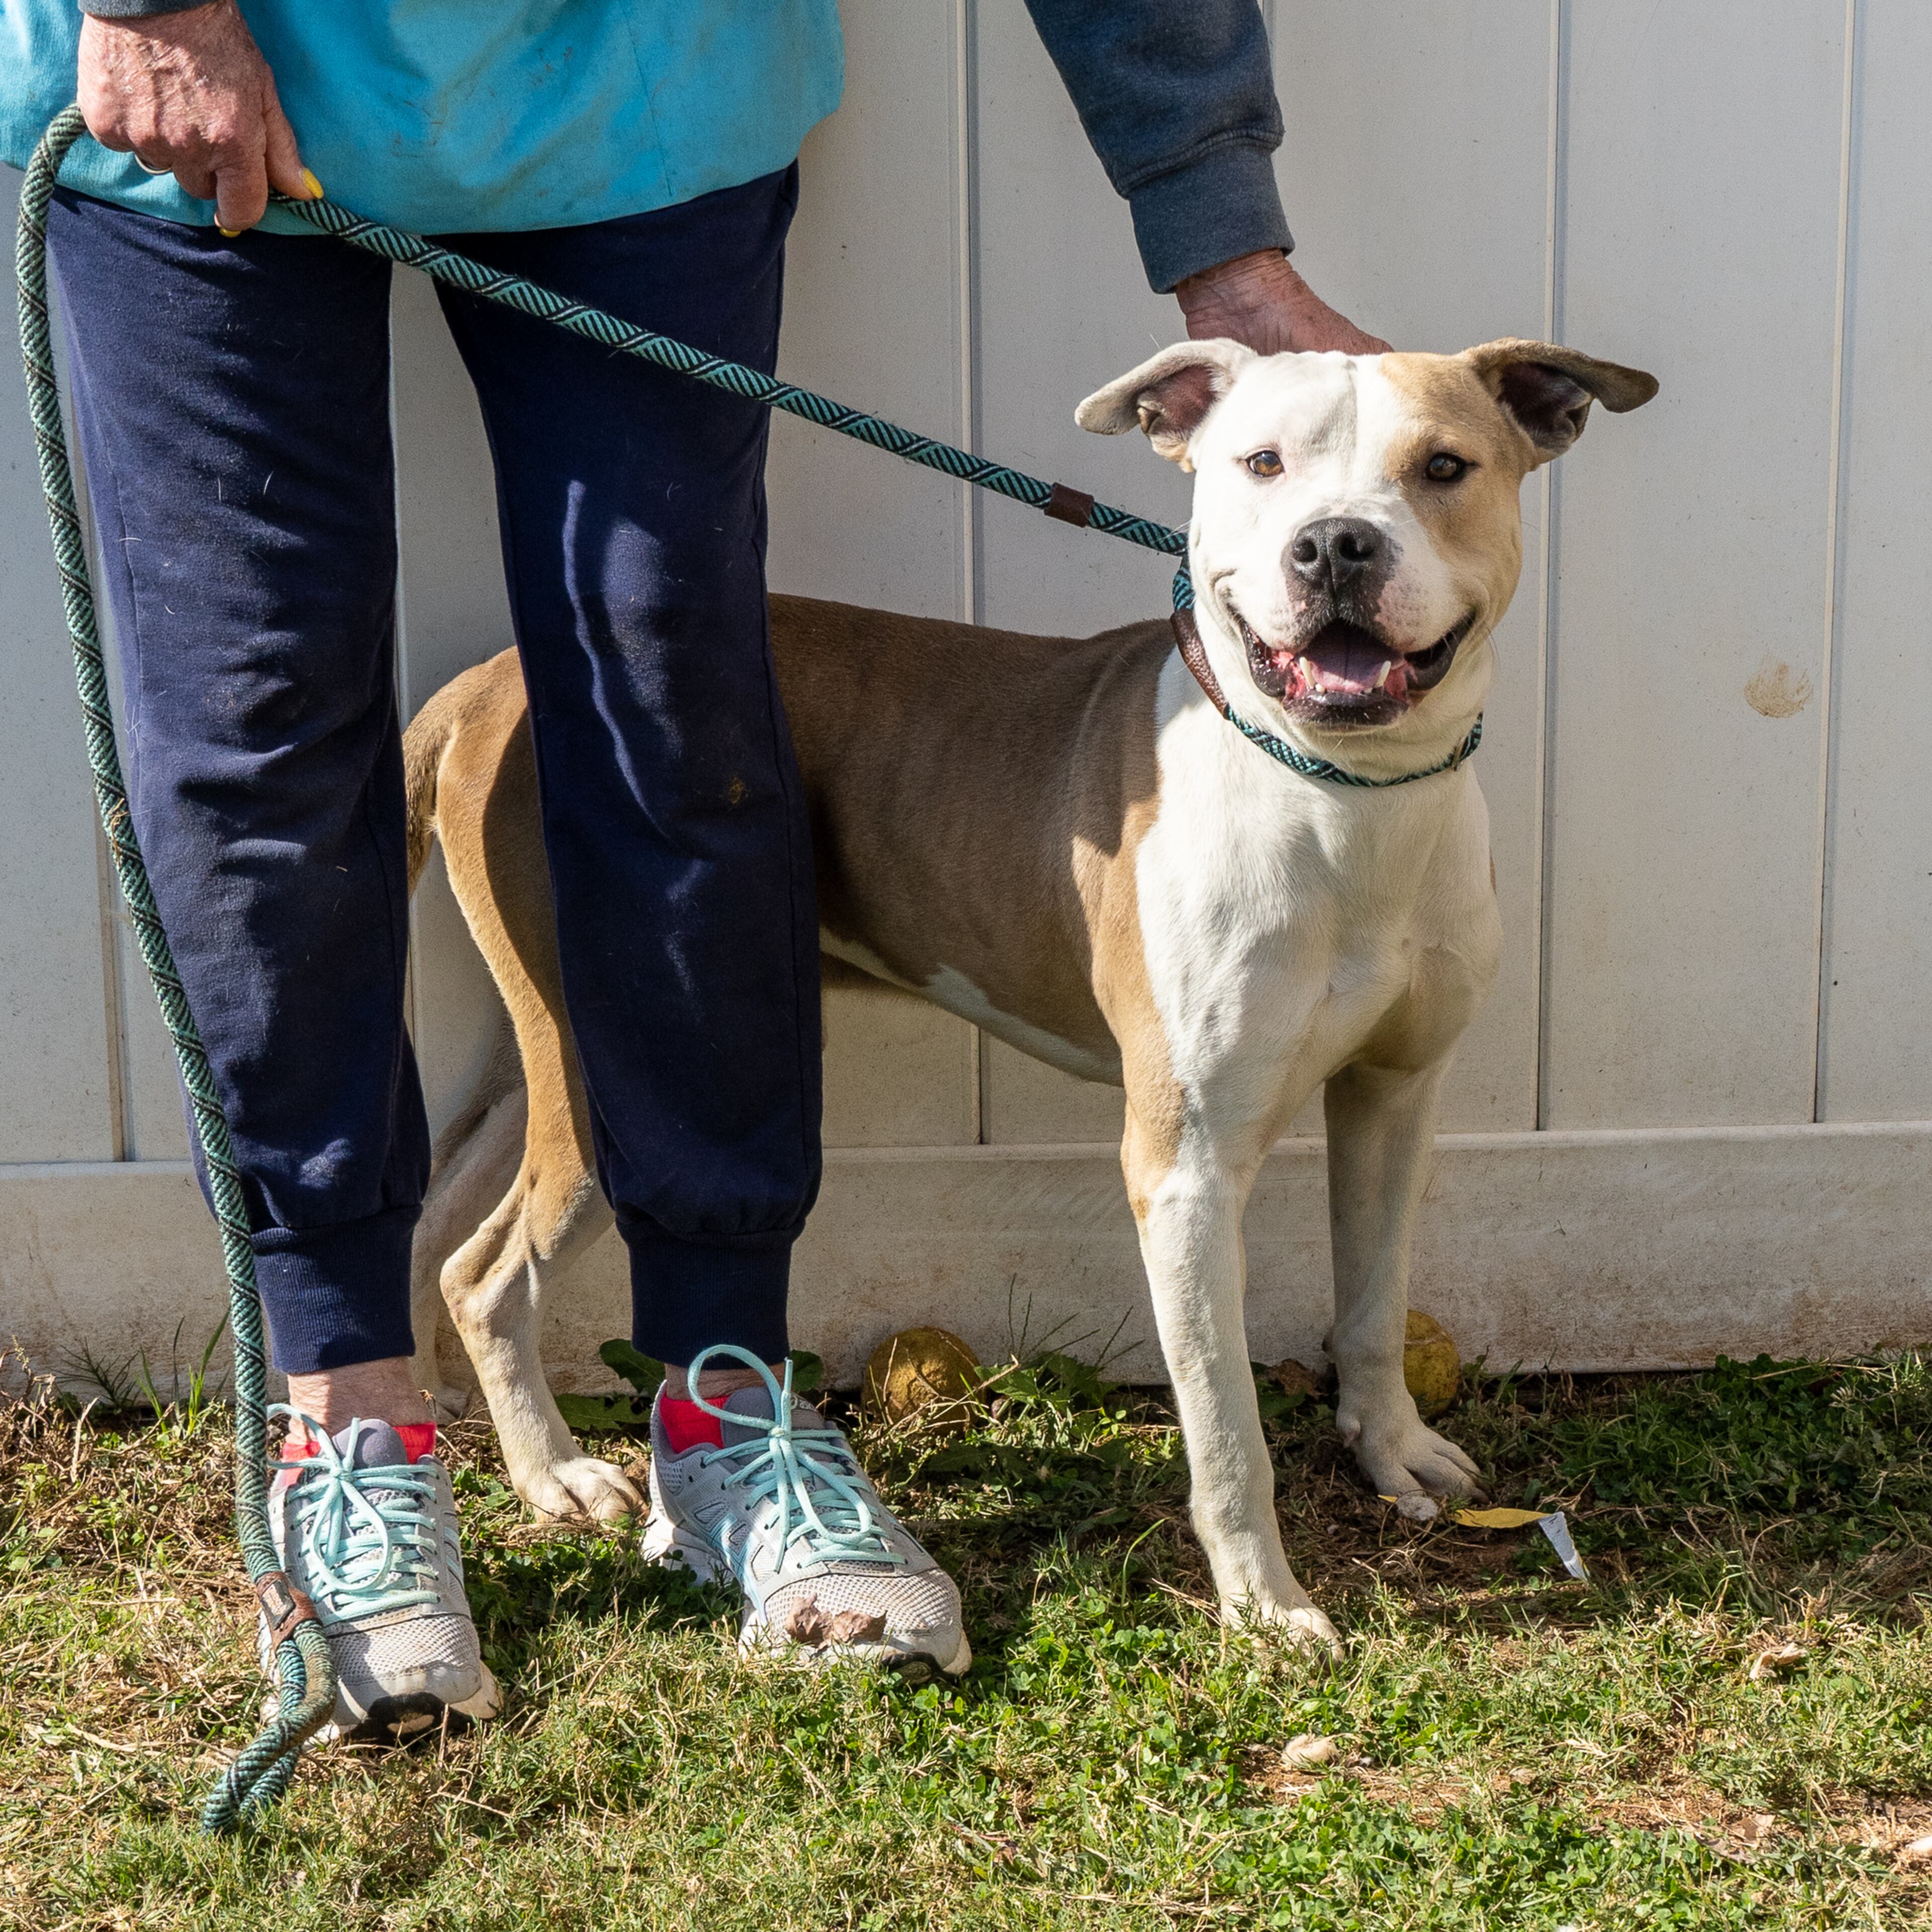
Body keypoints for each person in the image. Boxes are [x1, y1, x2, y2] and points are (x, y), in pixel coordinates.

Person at [2, 0, 1388, 1729]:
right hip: (204, 86)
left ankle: (727, 1405)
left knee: (677, 706)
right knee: (254, 727)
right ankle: (349, 1421)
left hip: (647, 100)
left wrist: (1220, 237)